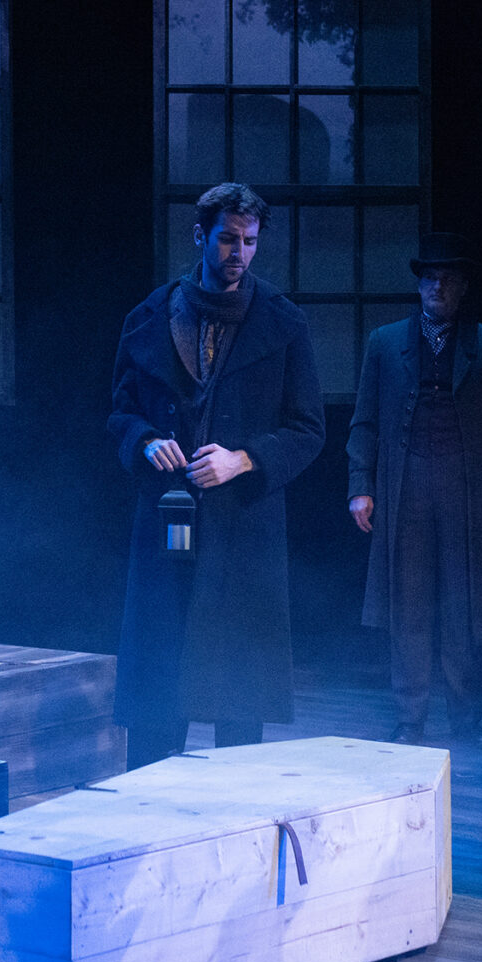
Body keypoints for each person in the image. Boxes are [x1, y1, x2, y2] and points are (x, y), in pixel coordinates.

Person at [108, 182, 325, 769]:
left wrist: (244, 459)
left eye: (250, 241)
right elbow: (119, 413)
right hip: (169, 521)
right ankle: (147, 801)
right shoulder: (149, 317)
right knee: (159, 686)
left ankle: (235, 810)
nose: (240, 253)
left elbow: (308, 428)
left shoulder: (282, 322)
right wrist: (144, 440)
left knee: (238, 696)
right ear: (200, 235)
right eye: (228, 239)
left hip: (242, 530)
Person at [346, 233, 482, 746]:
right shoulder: (385, 342)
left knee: (464, 605)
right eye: (430, 278)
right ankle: (409, 718)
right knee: (407, 604)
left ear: (463, 286)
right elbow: (364, 421)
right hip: (405, 485)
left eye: (448, 279)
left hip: (464, 488)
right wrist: (361, 485)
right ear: (419, 285)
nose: (438, 287)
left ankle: (466, 720)